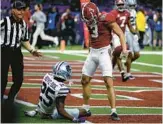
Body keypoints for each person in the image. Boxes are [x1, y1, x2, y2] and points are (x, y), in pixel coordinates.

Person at [81, 2, 128, 121]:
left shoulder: (106, 18)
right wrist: (89, 51)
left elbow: (120, 33)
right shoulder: (88, 18)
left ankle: (113, 111)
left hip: (104, 51)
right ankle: (86, 108)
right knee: (84, 80)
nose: (89, 21)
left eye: (90, 19)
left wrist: (124, 49)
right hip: (93, 52)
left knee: (108, 81)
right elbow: (92, 36)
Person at [1, 0, 42, 104]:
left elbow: (24, 39)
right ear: (13, 10)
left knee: (19, 79)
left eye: (23, 9)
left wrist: (32, 50)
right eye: (18, 9)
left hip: (16, 52)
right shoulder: (4, 21)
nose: (21, 12)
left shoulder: (23, 23)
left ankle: (10, 100)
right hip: (3, 51)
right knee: (2, 79)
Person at [24, 61, 91, 123]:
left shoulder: (47, 76)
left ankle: (36, 111)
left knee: (52, 99)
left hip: (41, 108)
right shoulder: (62, 88)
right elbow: (60, 111)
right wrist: (73, 119)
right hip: (48, 115)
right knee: (85, 112)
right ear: (63, 72)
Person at [110, 0, 137, 82]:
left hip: (123, 36)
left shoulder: (127, 13)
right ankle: (122, 73)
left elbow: (129, 25)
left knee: (128, 54)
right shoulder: (113, 13)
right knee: (118, 53)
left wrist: (135, 33)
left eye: (122, 4)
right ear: (116, 5)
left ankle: (127, 73)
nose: (121, 6)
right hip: (115, 36)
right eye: (119, 4)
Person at [125, 0, 140, 79]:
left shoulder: (134, 11)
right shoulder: (125, 12)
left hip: (133, 34)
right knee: (130, 54)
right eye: (131, 6)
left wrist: (137, 31)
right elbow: (128, 25)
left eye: (133, 5)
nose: (132, 7)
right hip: (127, 33)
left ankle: (127, 63)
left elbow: (135, 22)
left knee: (137, 54)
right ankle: (128, 73)